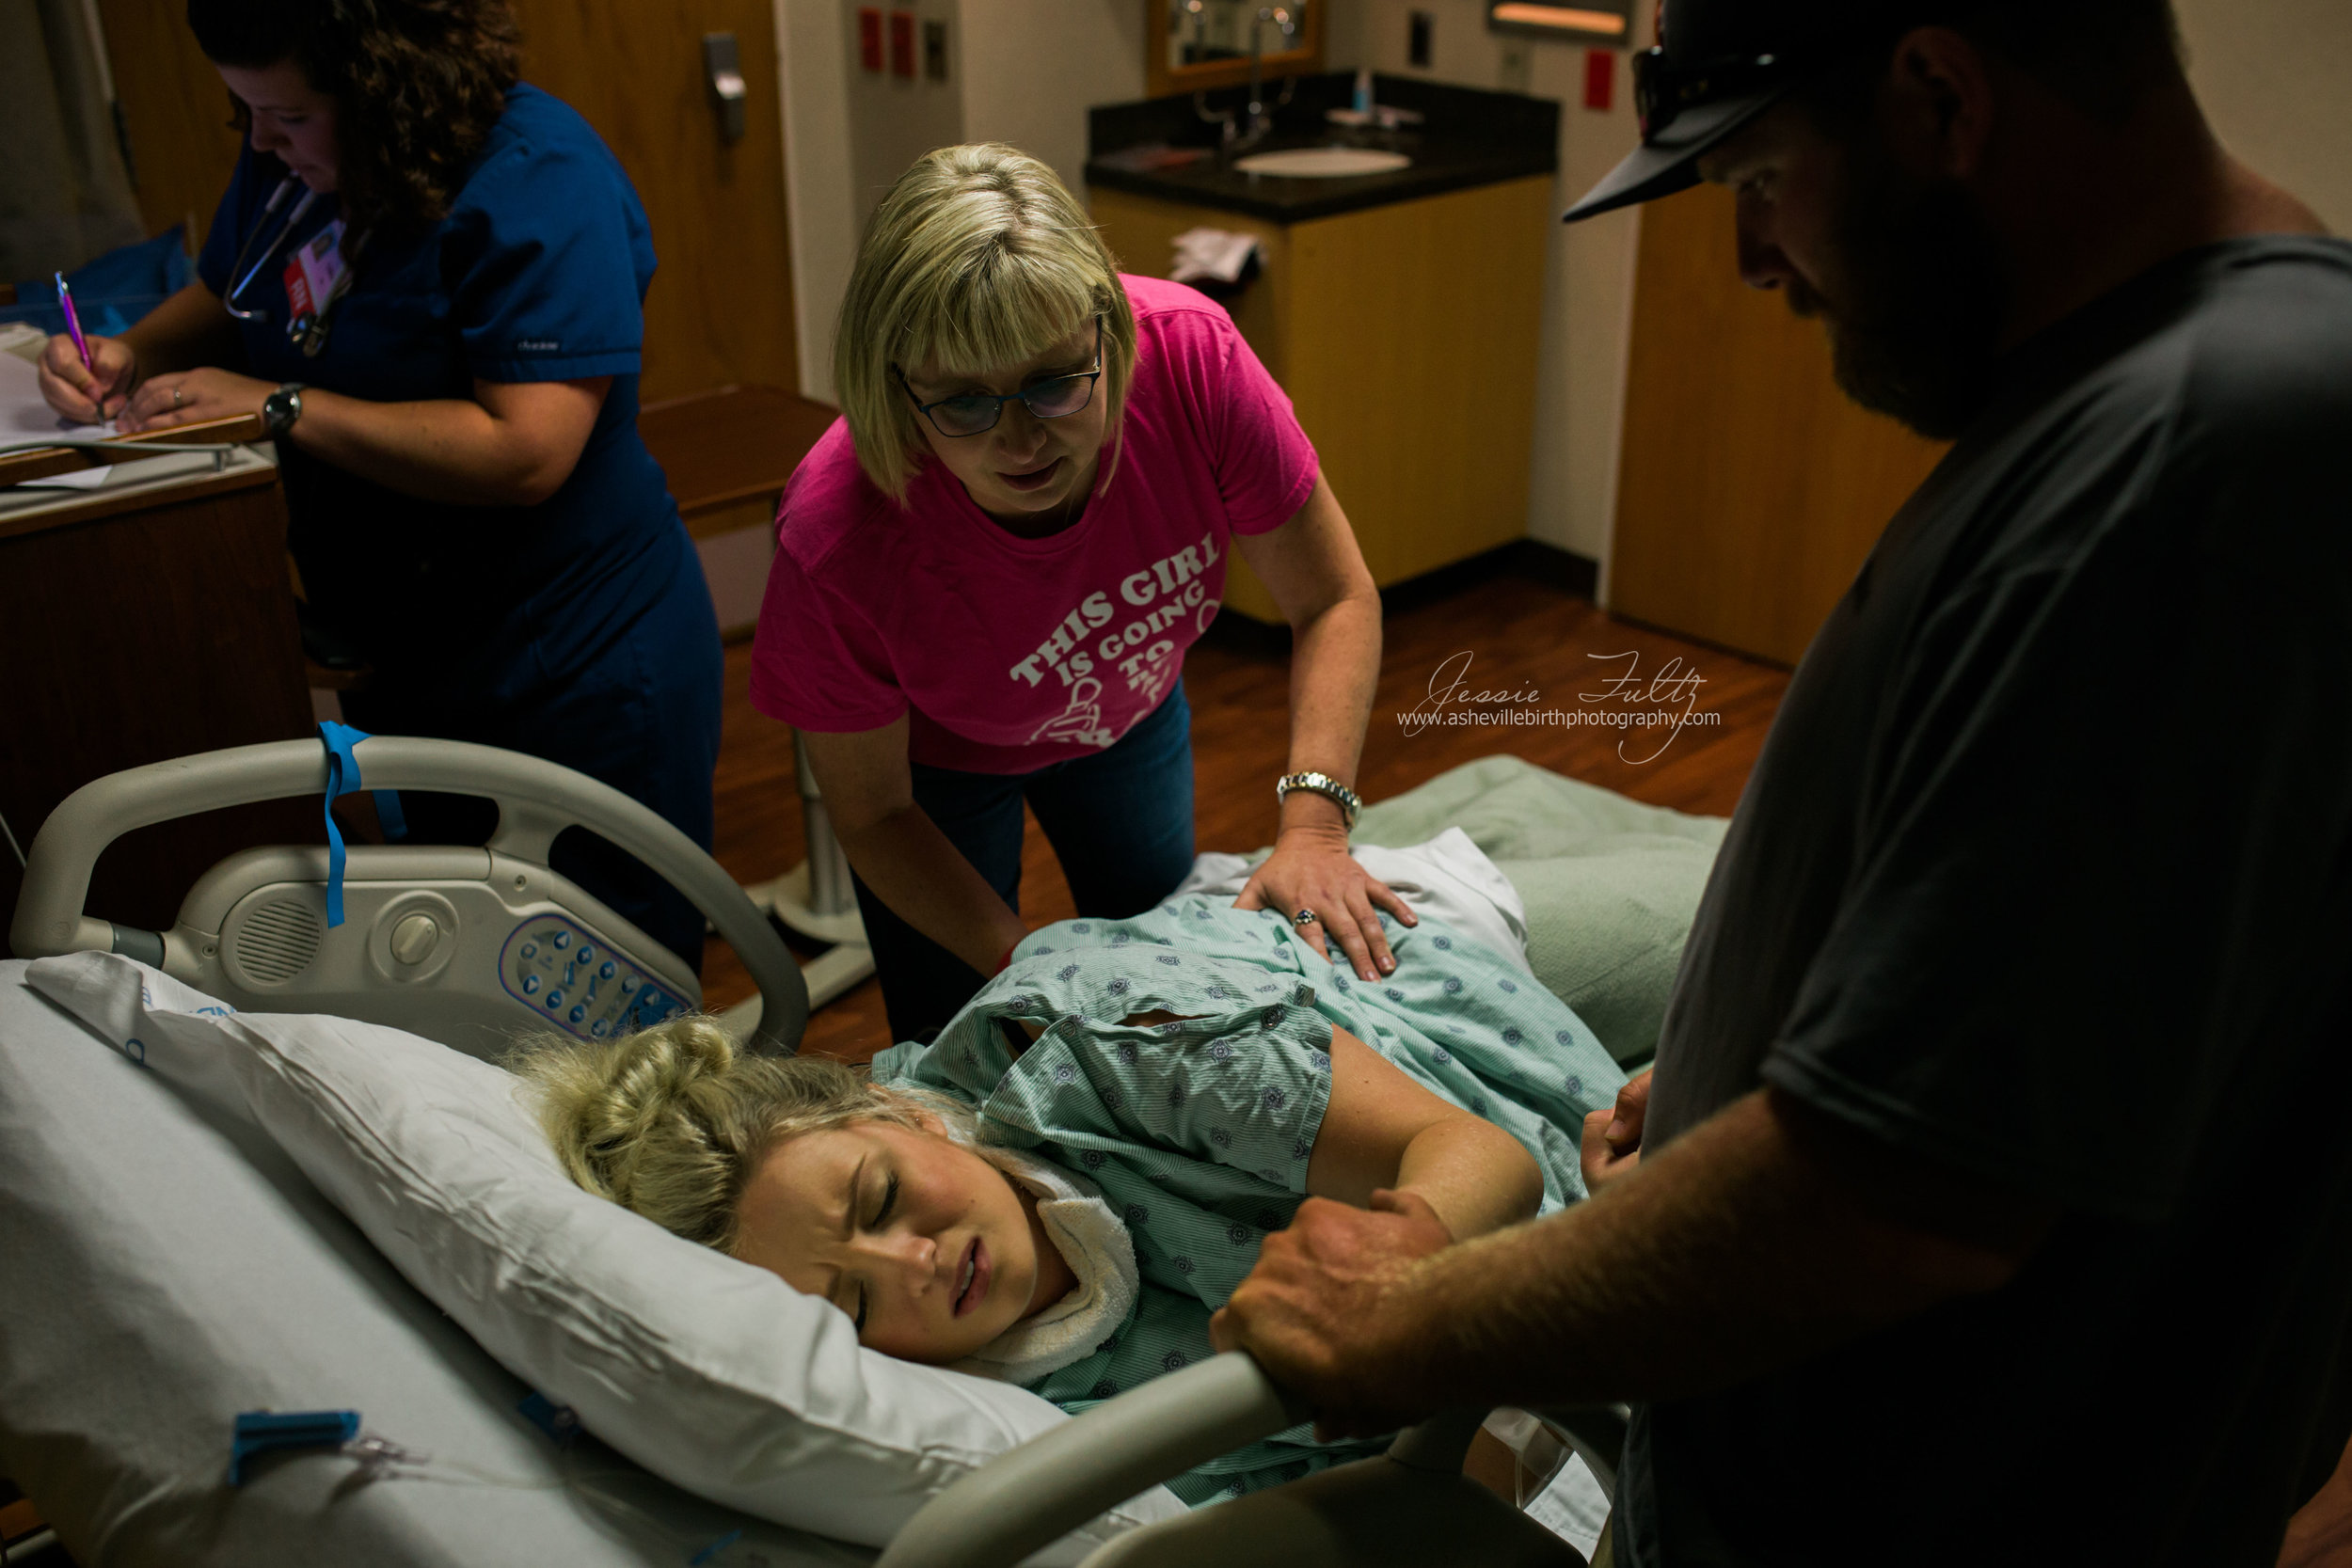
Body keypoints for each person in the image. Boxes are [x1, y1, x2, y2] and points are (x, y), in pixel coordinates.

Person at [1209, 1, 2352, 1563]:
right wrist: (1749, 1084)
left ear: (1940, 94)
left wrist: (1413, 1318)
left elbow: (1898, 1194)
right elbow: (2081, 976)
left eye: (1757, 178)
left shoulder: (2191, 460)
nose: (1752, 259)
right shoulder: (2162, 396)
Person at [518, 858, 1629, 1504]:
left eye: (879, 1200)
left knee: (1751, 956)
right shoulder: (995, 1407)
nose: (912, 1265)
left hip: (1378, 954)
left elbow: (1484, 1157)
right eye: (851, 1303)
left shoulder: (1102, 1043)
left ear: (901, 1109)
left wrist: (1400, 1273)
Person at [37, 0, 721, 969]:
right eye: (246, 115)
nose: (264, 143)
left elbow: (527, 449)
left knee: (604, 995)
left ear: (389, 90)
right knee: (470, 982)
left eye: (291, 117)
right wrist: (127, 353)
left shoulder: (535, 178)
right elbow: (240, 284)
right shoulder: (297, 157)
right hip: (416, 663)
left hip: (571, 663)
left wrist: (281, 404)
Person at [751, 144, 1405, 1045]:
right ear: (898, 386)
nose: (1022, 441)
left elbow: (1333, 596)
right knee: (966, 1036)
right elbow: (872, 812)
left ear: (1108, 334)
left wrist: (1315, 827)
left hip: (1129, 711)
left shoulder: (1192, 361)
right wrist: (1034, 966)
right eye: (966, 403)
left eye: (1054, 384)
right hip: (935, 777)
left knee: (1174, 970)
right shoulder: (837, 531)